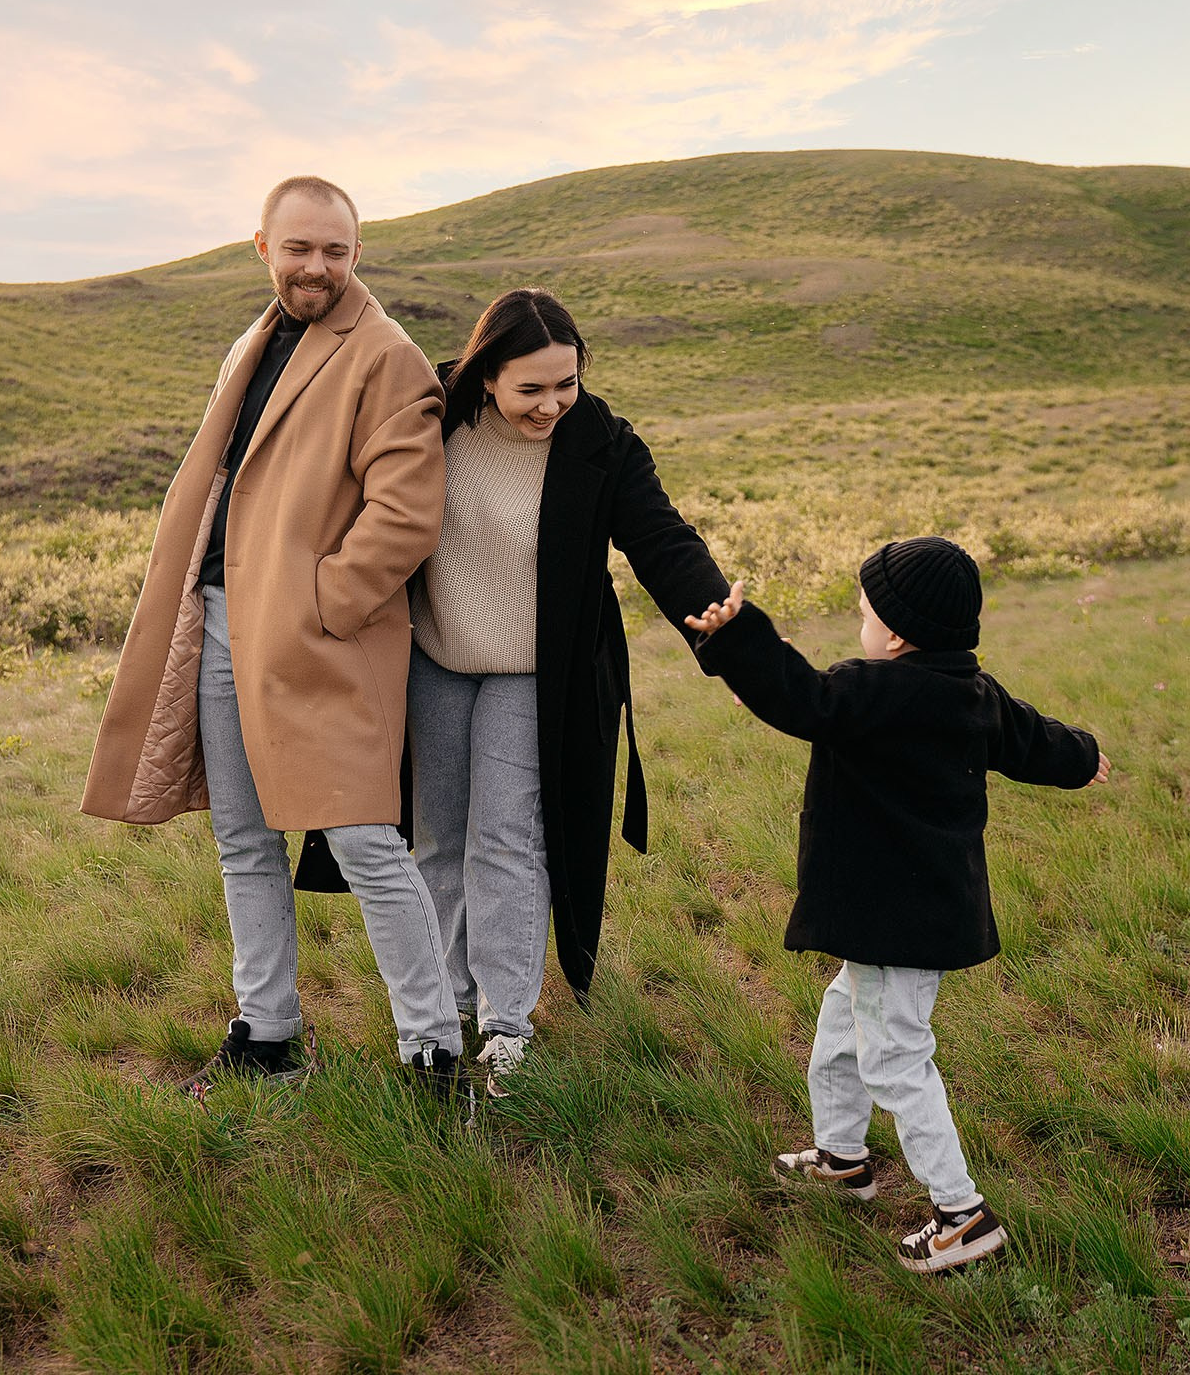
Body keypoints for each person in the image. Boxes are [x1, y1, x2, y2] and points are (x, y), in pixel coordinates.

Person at [81, 176, 464, 1091]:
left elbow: (406, 516)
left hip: (314, 638)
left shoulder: (386, 356)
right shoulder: (255, 344)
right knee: (244, 841)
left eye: (335, 250)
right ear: (264, 247)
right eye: (299, 248)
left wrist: (320, 605)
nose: (317, 267)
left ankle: (433, 1047)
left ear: (357, 254)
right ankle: (268, 1032)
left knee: (366, 840)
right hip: (218, 623)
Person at [687, 536, 1108, 1273]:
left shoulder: (869, 689)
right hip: (917, 915)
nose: (860, 625)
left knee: (896, 1058)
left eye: (864, 612)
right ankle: (843, 1158)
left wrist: (737, 637)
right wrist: (1085, 755)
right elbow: (1037, 742)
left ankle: (962, 1214)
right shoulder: (976, 693)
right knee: (844, 1026)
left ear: (899, 631)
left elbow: (798, 696)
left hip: (894, 925)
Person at [400, 287, 729, 1095]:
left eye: (566, 384)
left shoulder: (600, 441)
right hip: (436, 656)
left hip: (538, 674)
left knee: (506, 838)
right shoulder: (429, 415)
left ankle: (508, 1025)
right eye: (531, 389)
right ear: (486, 377)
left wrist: (715, 613)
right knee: (438, 839)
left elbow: (660, 535)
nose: (552, 404)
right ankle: (446, 1006)